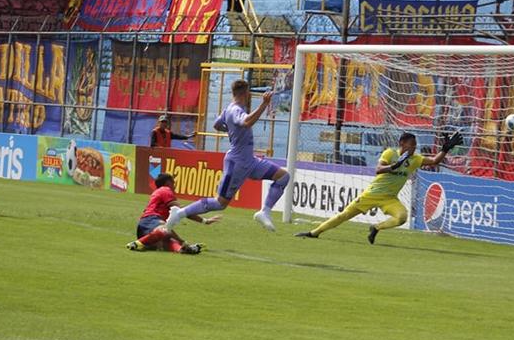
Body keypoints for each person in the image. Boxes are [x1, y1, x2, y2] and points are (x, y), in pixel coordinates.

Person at [166, 80, 290, 232]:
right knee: (220, 203)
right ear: (245, 93)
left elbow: (217, 124)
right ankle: (179, 213)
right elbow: (246, 122)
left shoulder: (228, 110)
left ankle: (264, 212)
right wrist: (264, 104)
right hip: (237, 163)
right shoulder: (236, 110)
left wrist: (230, 130)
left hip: (249, 161)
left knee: (283, 176)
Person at [295, 130, 462, 243]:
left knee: (402, 217)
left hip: (389, 198)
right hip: (372, 194)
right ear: (402, 143)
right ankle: (313, 233)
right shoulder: (390, 153)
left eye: (415, 144)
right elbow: (378, 170)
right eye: (412, 144)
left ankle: (376, 228)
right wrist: (394, 167)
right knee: (344, 215)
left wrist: (445, 149)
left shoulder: (415, 159)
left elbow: (434, 161)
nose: (414, 147)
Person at [126, 173, 217, 254]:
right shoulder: (165, 190)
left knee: (168, 240)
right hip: (151, 220)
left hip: (146, 229)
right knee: (165, 230)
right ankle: (137, 243)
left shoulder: (158, 192)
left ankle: (182, 249)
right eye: (173, 183)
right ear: (168, 183)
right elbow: (182, 211)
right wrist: (204, 220)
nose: (174, 186)